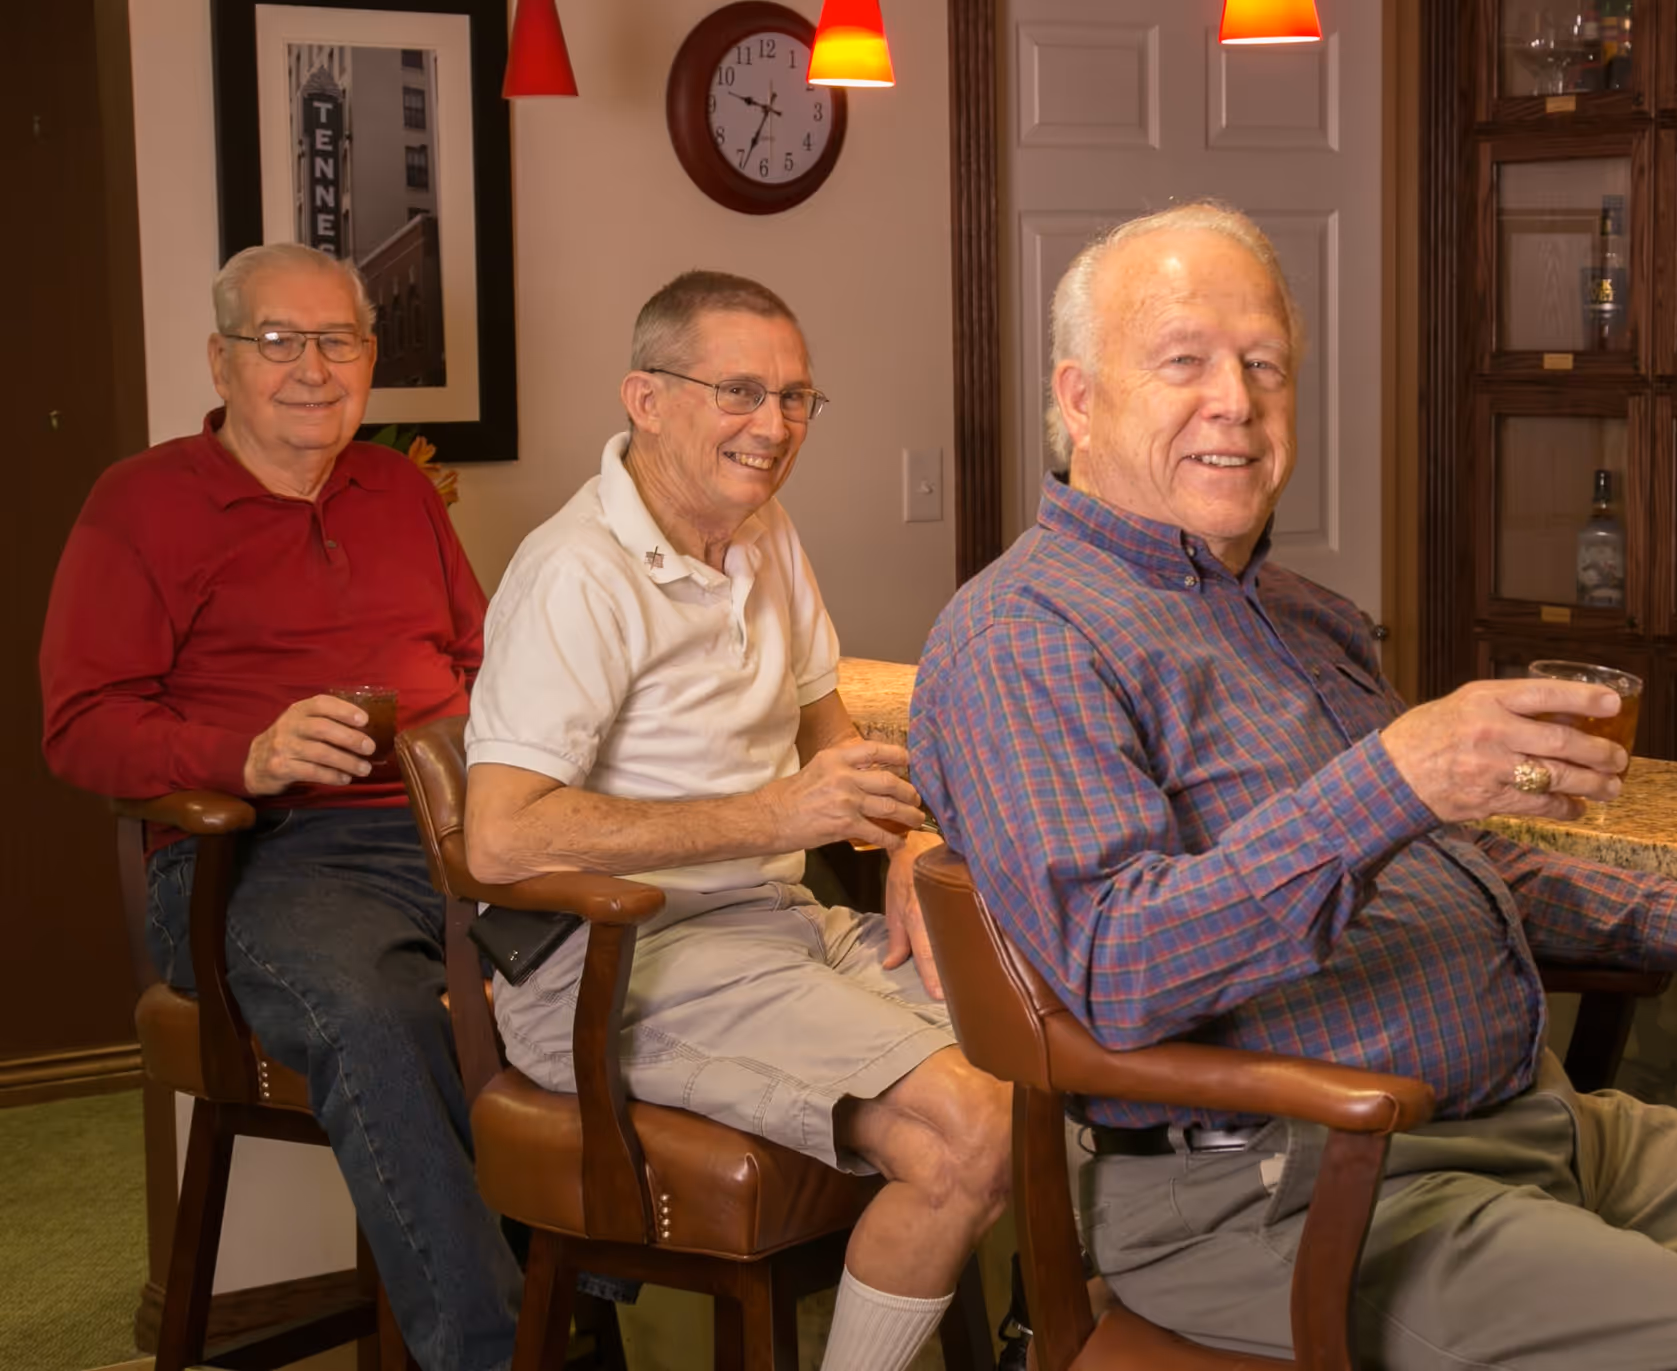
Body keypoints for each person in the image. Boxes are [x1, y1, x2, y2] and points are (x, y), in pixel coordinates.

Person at [909, 202, 1677, 1369]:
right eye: (1183, 362)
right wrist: (1399, 776)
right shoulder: (1020, 639)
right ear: (1080, 399)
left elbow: (1460, 866)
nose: (1234, 400)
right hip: (1297, 1195)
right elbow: (1113, 971)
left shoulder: (1297, 613)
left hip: (1543, 1130)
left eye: (1265, 365)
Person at [463, 270, 1011, 1371]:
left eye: (798, 397)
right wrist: (771, 814)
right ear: (646, 397)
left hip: (775, 926)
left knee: (1056, 1038)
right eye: (740, 392)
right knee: (972, 1128)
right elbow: (501, 836)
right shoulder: (577, 573)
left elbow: (826, 730)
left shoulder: (763, 531)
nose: (774, 426)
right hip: (607, 961)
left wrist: (907, 846)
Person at [41, 244, 519, 1371]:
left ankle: (576, 1279)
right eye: (278, 341)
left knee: (608, 954)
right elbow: (79, 726)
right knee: (379, 1012)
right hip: (262, 856)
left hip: (447, 826)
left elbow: (483, 654)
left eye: (339, 341)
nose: (312, 368)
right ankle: (496, 1351)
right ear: (221, 359)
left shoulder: (398, 488)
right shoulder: (141, 503)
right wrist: (244, 755)